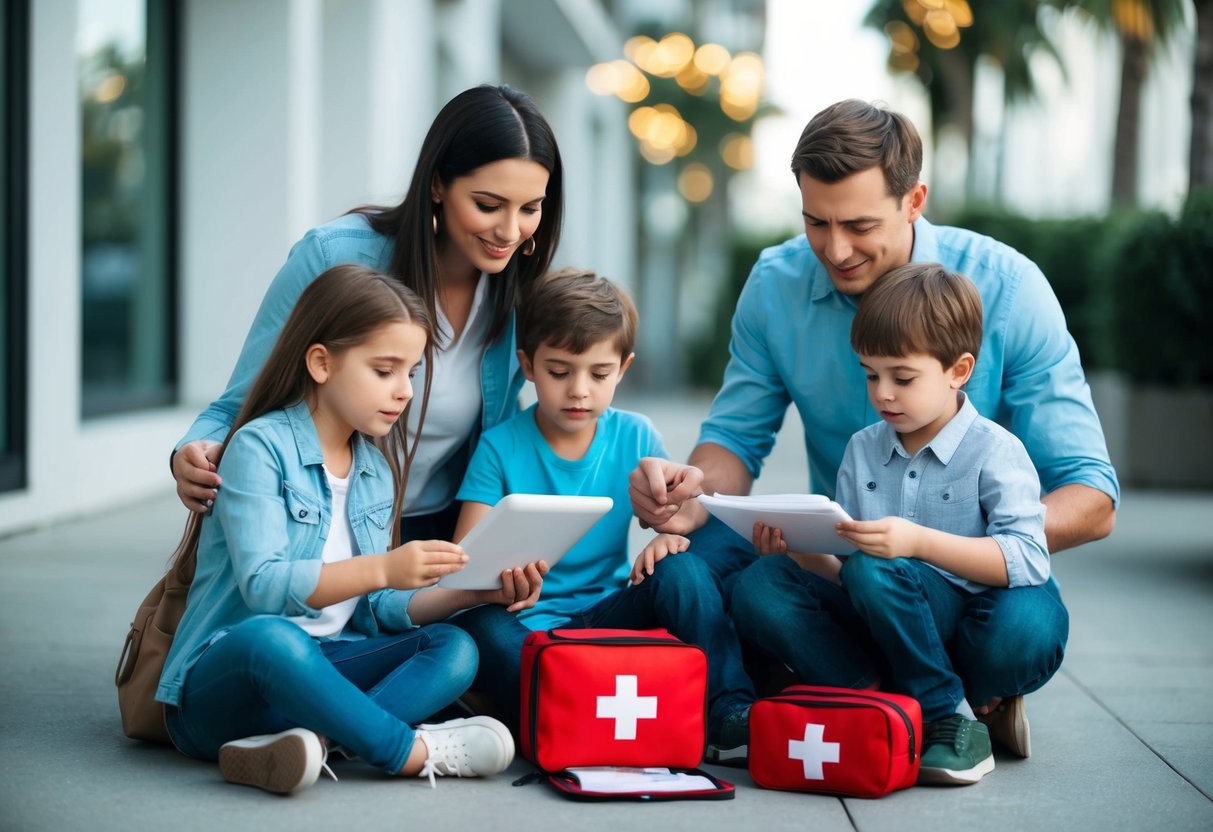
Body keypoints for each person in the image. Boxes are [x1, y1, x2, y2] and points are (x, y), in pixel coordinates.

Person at [629, 98, 1118, 759]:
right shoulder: (775, 286)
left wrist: (934, 547)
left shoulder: (1009, 289)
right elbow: (735, 440)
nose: (835, 249)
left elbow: (1090, 498)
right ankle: (943, 705)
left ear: (913, 200)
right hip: (849, 568)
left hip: (972, 574)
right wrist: (691, 494)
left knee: (1024, 631)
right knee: (712, 574)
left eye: (859, 225)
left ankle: (852, 690)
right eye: (814, 222)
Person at [157, 265, 527, 795]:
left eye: (412, 374)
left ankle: (309, 743)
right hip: (230, 682)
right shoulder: (258, 448)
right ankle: (408, 751)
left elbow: (377, 610)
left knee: (454, 646)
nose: (403, 392)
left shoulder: (374, 470)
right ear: (321, 362)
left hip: (326, 672)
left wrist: (469, 592)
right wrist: (384, 567)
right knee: (273, 639)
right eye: (385, 370)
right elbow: (263, 586)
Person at [171, 84, 563, 549]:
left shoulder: (522, 294)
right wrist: (190, 454)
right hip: (319, 530)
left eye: (530, 209)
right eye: (488, 205)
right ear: (437, 184)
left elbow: (515, 434)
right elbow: (240, 404)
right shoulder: (334, 257)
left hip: (440, 535)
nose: (510, 231)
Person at [754, 263, 1053, 784]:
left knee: (1027, 625)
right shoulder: (862, 449)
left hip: (969, 619)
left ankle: (947, 714)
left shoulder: (996, 450)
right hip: (884, 617)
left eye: (902, 377)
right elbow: (846, 573)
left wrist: (916, 543)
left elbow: (1028, 557)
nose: (883, 393)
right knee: (762, 585)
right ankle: (896, 704)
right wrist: (798, 551)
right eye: (871, 374)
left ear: (958, 371)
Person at [447, 268, 755, 764]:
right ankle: (564, 717)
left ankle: (727, 712)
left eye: (598, 373)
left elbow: (687, 516)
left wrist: (670, 535)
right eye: (559, 370)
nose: (579, 391)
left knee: (688, 566)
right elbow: (466, 561)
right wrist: (500, 581)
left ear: (623, 368)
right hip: (527, 625)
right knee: (481, 628)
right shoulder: (499, 446)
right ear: (527, 364)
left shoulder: (635, 436)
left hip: (611, 615)